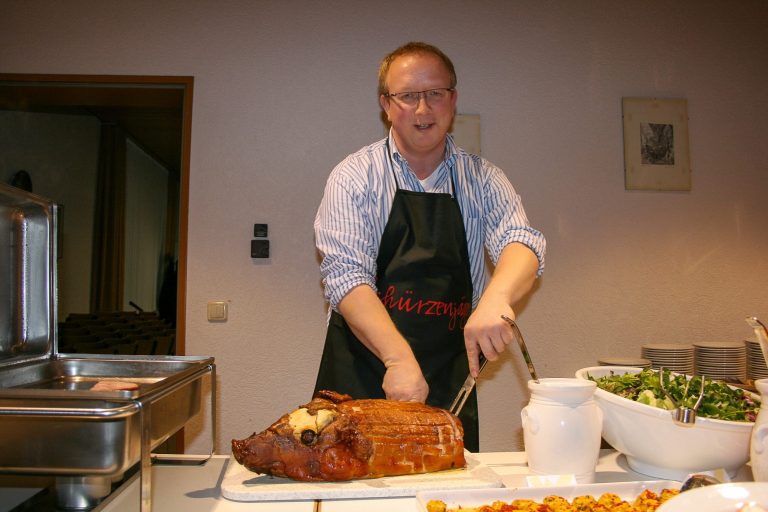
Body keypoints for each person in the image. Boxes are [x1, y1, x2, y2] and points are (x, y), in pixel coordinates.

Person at [313, 41, 546, 452]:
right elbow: (346, 278)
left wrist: (498, 297)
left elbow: (522, 242)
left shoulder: (484, 179)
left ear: (453, 100)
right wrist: (398, 359)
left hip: (446, 378)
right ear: (386, 104)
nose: (422, 110)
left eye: (435, 94)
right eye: (407, 96)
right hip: (362, 372)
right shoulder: (354, 177)